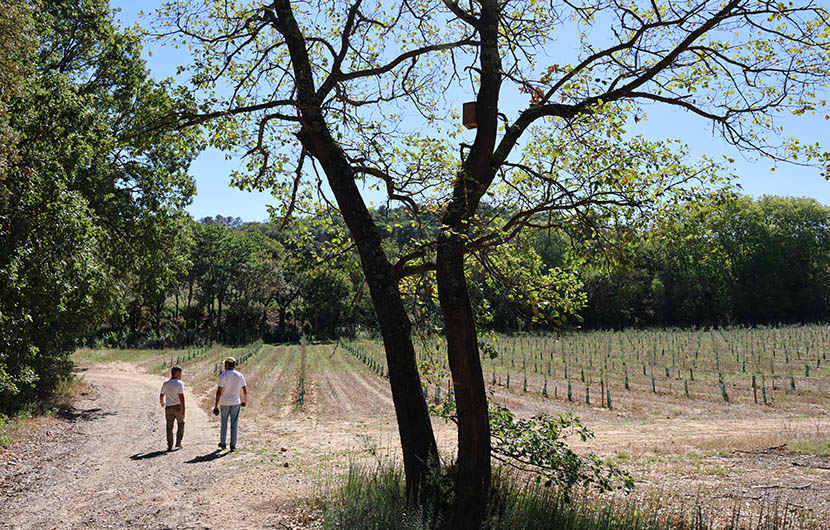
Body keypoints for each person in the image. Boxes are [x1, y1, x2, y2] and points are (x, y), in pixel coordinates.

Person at [213, 357, 247, 452]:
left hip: (224, 403)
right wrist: (244, 400)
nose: (224, 365)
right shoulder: (239, 375)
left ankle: (223, 443)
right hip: (236, 402)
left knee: (224, 423)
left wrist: (216, 405)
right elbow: (244, 389)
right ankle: (233, 445)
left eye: (225, 364)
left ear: (228, 364)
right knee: (234, 423)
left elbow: (219, 392)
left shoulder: (223, 376)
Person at [159, 366, 185, 451]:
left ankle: (169, 445)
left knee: (169, 426)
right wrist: (183, 408)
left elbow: (162, 395)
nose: (181, 374)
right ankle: (178, 443)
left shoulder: (166, 383)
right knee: (180, 424)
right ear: (176, 373)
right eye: (180, 373)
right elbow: (181, 397)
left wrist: (162, 402)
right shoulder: (179, 383)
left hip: (168, 407)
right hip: (177, 406)